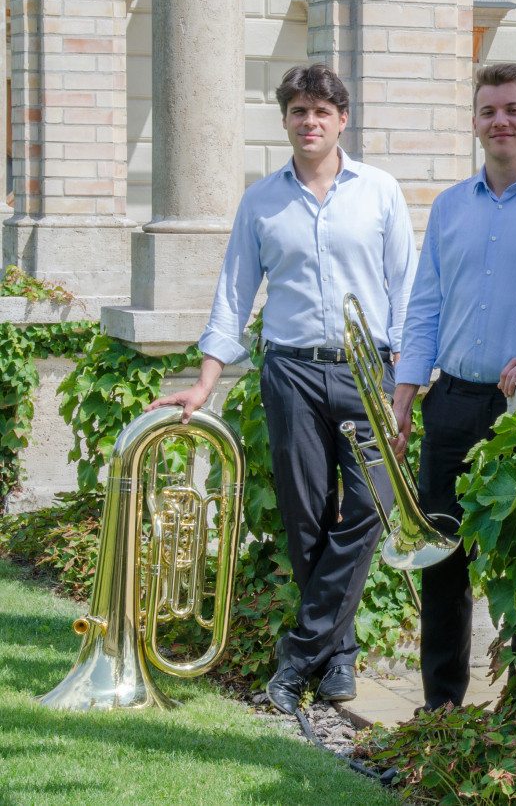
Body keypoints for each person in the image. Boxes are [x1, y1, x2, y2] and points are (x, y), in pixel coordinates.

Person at [149, 64, 417, 714]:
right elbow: (234, 294)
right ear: (286, 121)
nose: (309, 122)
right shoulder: (260, 201)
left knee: (370, 509)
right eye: (299, 111)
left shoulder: (380, 191)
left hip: (367, 372)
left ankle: (297, 658)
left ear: (342, 120)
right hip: (291, 372)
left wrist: (406, 385)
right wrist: (204, 382)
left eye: (322, 111)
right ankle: (338, 659)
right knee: (305, 518)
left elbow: (408, 289)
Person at [390, 62, 516, 712]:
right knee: (441, 561)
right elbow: (425, 306)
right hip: (451, 403)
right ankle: (441, 709)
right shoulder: (448, 207)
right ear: (476, 123)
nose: (499, 121)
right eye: (488, 111)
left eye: (512, 109)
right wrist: (404, 396)